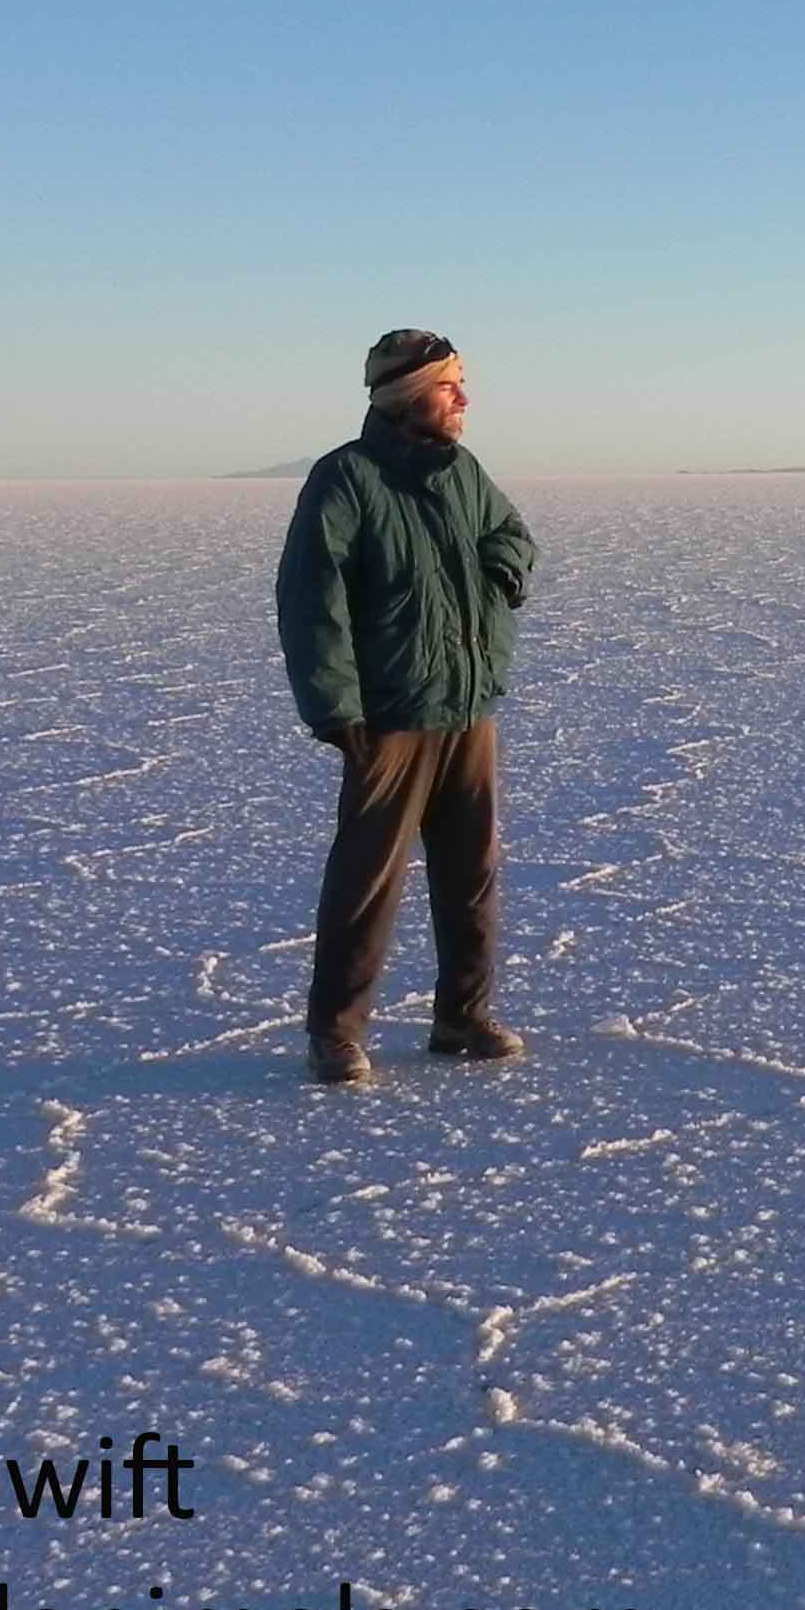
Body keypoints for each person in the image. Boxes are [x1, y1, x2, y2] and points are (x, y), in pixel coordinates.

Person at [273, 329, 539, 1085]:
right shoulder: (346, 480)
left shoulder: (464, 473)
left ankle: (463, 1015)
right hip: (388, 714)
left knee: (472, 871)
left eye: (462, 384)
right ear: (403, 397)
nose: (464, 398)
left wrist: (501, 573)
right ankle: (336, 1033)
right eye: (448, 385)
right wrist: (335, 705)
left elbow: (513, 536)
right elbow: (309, 601)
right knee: (367, 879)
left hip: (467, 705)